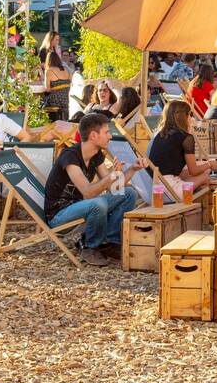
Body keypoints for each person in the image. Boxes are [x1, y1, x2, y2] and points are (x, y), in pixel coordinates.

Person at [44, 112, 146, 267]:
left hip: (81, 207)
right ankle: (90, 247)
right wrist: (112, 175)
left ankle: (111, 243)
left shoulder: (96, 155)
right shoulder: (70, 157)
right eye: (106, 132)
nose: (110, 136)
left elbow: (114, 189)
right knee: (98, 204)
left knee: (128, 193)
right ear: (93, 136)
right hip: (59, 215)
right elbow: (88, 192)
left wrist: (131, 169)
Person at [148, 99, 217, 190]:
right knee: (205, 177)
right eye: (189, 115)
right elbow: (194, 171)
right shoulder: (186, 138)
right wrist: (210, 164)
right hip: (169, 190)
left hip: (152, 187)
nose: (191, 118)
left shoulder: (160, 134)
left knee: (200, 169)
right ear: (184, 117)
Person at [41, 31, 71, 121]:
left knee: (40, 103)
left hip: (55, 99)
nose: (57, 42)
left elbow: (47, 89)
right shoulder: (66, 70)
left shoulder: (49, 70)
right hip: (66, 100)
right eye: (56, 39)